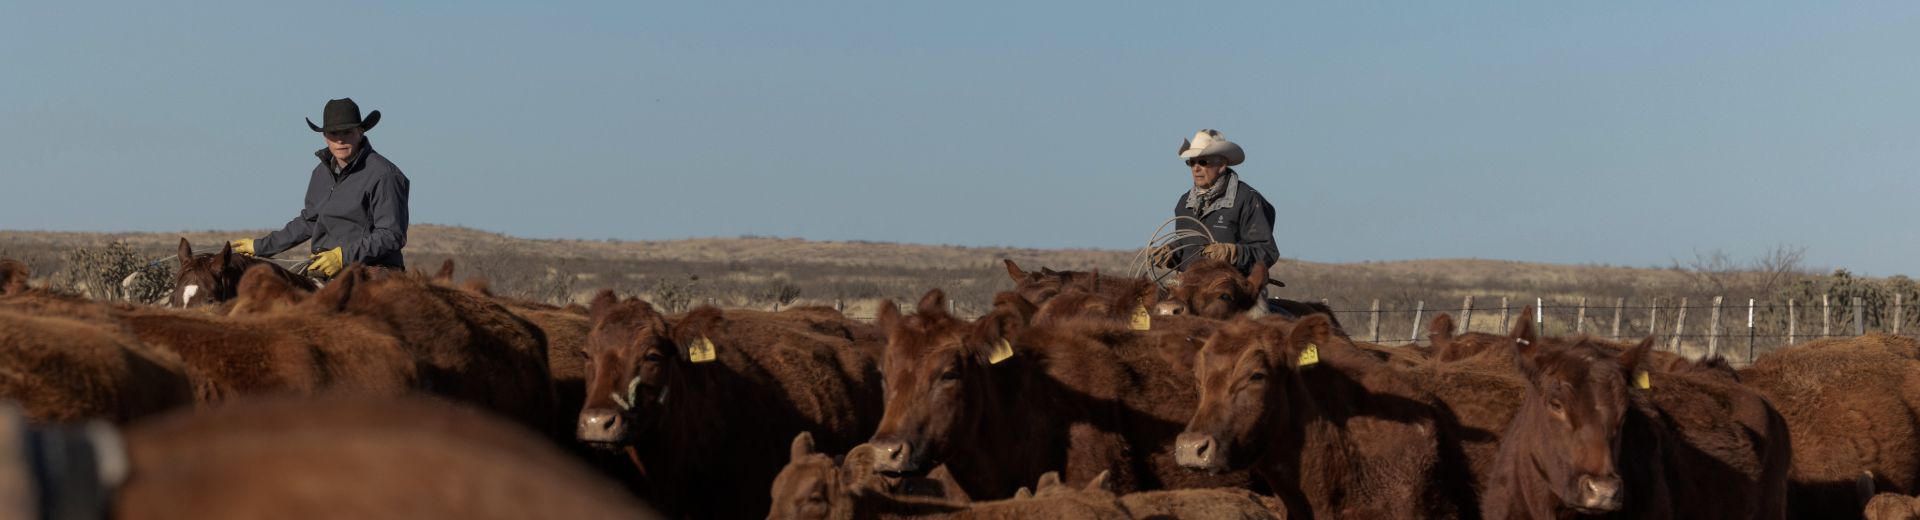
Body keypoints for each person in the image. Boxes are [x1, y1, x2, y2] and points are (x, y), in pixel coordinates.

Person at [229, 98, 410, 277]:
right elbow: (310, 221)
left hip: (373, 272)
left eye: (347, 132)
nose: (340, 140)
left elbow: (391, 234)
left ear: (360, 132)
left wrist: (342, 257)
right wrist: (260, 246)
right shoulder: (321, 173)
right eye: (333, 133)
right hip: (324, 268)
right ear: (325, 137)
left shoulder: (384, 175)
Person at [1153, 129, 1278, 275]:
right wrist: (1171, 251)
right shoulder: (1184, 203)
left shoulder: (1248, 200)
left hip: (1235, 287)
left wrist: (1232, 253)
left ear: (1222, 165)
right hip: (1191, 287)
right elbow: (1187, 248)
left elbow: (1267, 252)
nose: (1196, 168)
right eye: (1191, 162)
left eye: (1202, 162)